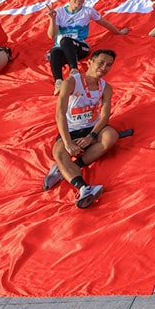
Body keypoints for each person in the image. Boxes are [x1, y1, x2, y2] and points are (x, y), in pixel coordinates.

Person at [42, 48, 120, 209]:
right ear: (90, 62)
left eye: (109, 65)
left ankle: (69, 168)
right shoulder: (71, 82)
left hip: (92, 127)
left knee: (111, 136)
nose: (104, 67)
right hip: (71, 129)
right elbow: (60, 114)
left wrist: (92, 135)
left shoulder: (106, 88)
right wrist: (67, 142)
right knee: (58, 152)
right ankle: (83, 187)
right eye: (101, 63)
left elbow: (105, 116)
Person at [43, 0, 130, 91]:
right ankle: (59, 83)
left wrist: (119, 32)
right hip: (62, 49)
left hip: (80, 48)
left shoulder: (88, 11)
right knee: (54, 52)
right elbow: (52, 35)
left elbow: (103, 22)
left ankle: (74, 70)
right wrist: (52, 19)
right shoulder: (59, 12)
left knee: (65, 40)